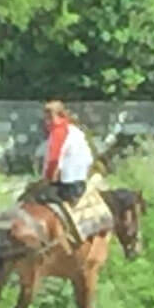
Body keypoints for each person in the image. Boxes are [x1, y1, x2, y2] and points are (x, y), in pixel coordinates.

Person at [23, 99, 94, 244]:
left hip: (67, 186)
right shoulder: (75, 131)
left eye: (49, 118)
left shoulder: (59, 132)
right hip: (80, 183)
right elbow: (89, 160)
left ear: (57, 116)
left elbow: (53, 160)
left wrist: (45, 180)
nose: (46, 122)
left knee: (28, 197)